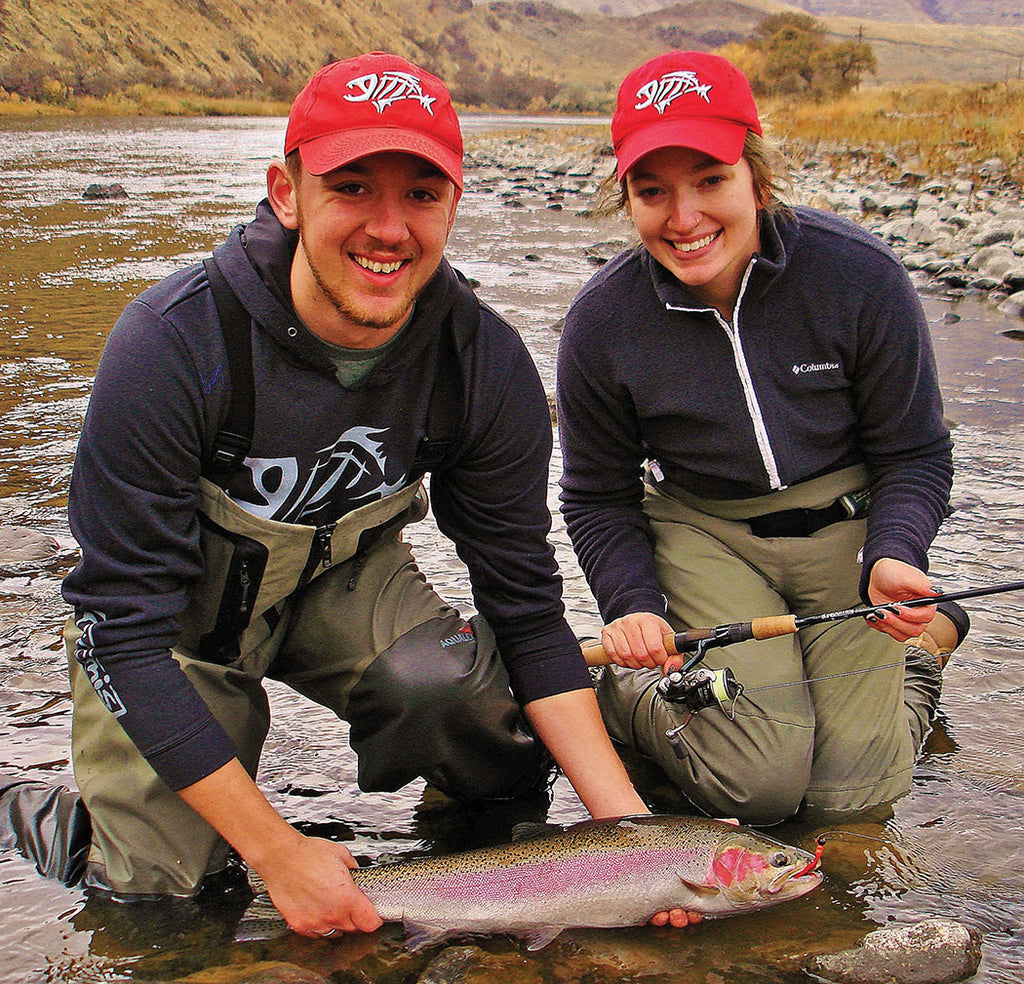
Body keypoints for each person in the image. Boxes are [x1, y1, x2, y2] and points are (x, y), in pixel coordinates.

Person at [1, 52, 685, 937]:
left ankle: (468, 855)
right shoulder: (170, 346)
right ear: (288, 193)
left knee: (467, 705)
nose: (389, 228)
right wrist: (280, 854)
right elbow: (120, 631)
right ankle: (46, 815)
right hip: (175, 626)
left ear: (454, 203)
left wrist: (626, 835)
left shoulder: (481, 362)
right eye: (353, 187)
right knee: (160, 894)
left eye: (421, 195)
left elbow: (523, 602)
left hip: (338, 581)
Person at [556, 50, 969, 826]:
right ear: (628, 199)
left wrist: (897, 552)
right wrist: (633, 606)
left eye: (710, 181)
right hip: (705, 532)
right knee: (761, 790)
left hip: (849, 534)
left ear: (758, 177)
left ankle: (924, 651)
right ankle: (624, 689)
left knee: (851, 801)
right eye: (653, 193)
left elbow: (913, 452)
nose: (683, 219)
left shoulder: (860, 276)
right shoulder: (601, 323)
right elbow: (597, 496)